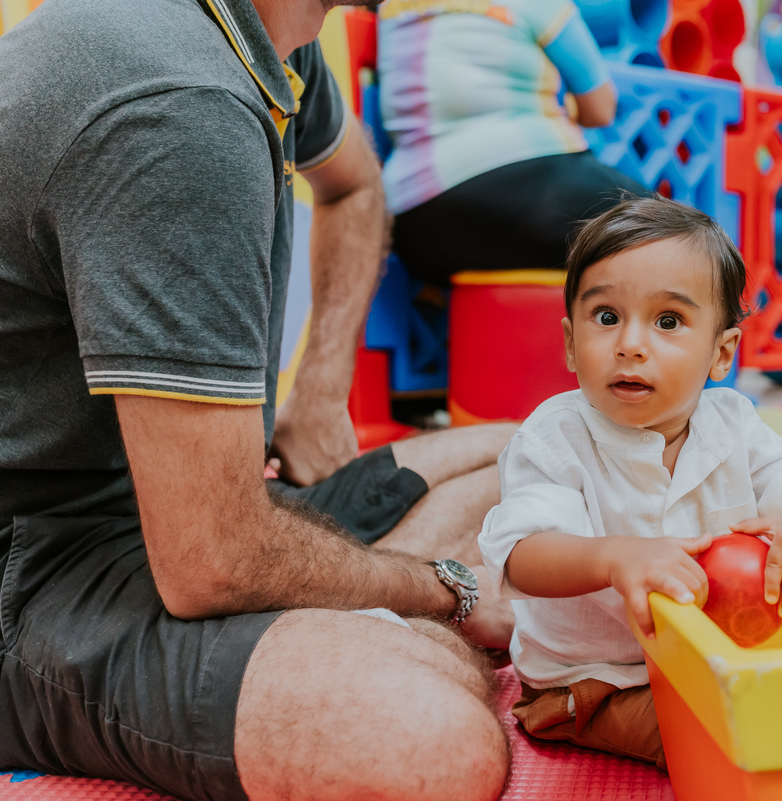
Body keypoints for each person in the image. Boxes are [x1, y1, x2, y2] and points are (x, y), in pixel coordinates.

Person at [0, 0, 515, 799]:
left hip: (187, 507)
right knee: (433, 743)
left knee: (521, 453)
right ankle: (387, 637)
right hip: (40, 563)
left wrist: (320, 389)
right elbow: (213, 560)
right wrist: (447, 590)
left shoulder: (273, 39)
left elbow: (354, 185)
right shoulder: (181, 102)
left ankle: (371, 631)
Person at [476, 197, 782, 767]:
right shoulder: (554, 437)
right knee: (730, 739)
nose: (631, 344)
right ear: (569, 343)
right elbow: (522, 555)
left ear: (721, 352)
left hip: (712, 660)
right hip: (599, 682)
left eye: (668, 322)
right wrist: (615, 558)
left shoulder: (733, 423)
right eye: (606, 317)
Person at [376, 0, 650, 283]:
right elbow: (601, 109)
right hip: (525, 195)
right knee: (673, 235)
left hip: (417, 225)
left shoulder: (393, 6)